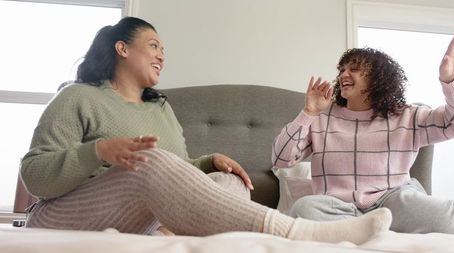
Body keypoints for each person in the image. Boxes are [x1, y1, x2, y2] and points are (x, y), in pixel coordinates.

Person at [20, 16, 392, 244]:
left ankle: (182, 235)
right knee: (148, 160)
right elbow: (36, 176)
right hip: (61, 213)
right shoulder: (78, 97)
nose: (162, 55)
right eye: (153, 45)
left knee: (230, 183)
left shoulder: (159, 108)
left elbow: (173, 170)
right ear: (121, 48)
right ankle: (295, 233)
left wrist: (206, 163)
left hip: (136, 216)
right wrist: (98, 151)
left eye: (163, 49)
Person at [272, 23, 454, 236]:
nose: (344, 74)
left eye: (354, 69)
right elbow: (281, 159)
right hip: (336, 207)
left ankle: (367, 231)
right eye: (342, 69)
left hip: (393, 202)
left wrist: (450, 78)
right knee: (303, 208)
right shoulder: (320, 118)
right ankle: (373, 231)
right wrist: (308, 112)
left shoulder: (407, 116)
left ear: (378, 78)